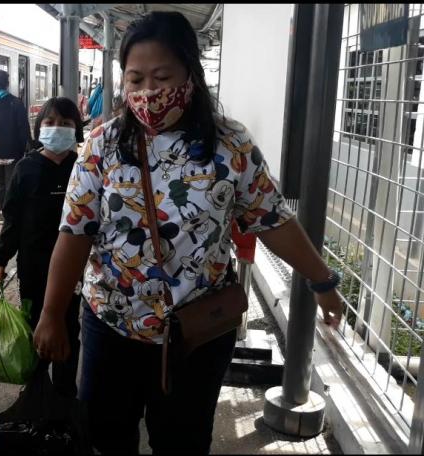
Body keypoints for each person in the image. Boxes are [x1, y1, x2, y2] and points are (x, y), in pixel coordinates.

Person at [32, 11, 344, 455]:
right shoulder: (102, 146)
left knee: (182, 442)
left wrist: (322, 280)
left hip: (197, 335)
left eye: (161, 76)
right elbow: (75, 233)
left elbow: (271, 221)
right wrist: (51, 313)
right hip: (111, 328)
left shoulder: (230, 146)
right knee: (105, 437)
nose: (147, 93)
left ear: (190, 75)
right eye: (135, 79)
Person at [0, 97, 84, 398]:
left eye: (66, 124)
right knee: (34, 323)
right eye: (50, 122)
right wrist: (1, 257)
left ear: (77, 130)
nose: (57, 128)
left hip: (74, 269)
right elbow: (12, 218)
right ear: (38, 127)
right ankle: (35, 386)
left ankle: (64, 392)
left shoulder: (83, 168)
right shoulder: (25, 168)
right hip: (32, 266)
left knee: (70, 325)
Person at [0, 70, 32, 223]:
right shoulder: (15, 103)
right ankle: (10, 213)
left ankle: (0, 213)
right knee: (11, 185)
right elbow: (23, 129)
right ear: (7, 84)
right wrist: (23, 150)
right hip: (12, 153)